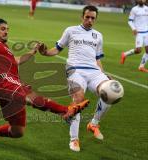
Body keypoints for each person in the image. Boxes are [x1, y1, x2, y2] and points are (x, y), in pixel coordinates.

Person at [38, 6, 113, 152]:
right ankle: (74, 139)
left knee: (109, 92)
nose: (90, 20)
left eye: (93, 18)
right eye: (87, 17)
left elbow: (97, 59)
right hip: (75, 70)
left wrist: (103, 74)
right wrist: (44, 52)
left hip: (94, 71)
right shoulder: (70, 30)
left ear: (95, 19)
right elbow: (56, 50)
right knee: (78, 100)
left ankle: (94, 123)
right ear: (82, 17)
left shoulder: (98, 35)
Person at [120, 0, 148, 72]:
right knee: (138, 50)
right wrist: (134, 29)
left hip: (146, 32)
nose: (142, 0)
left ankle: (141, 67)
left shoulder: (147, 8)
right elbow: (130, 20)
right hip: (138, 33)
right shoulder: (134, 9)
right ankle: (124, 54)